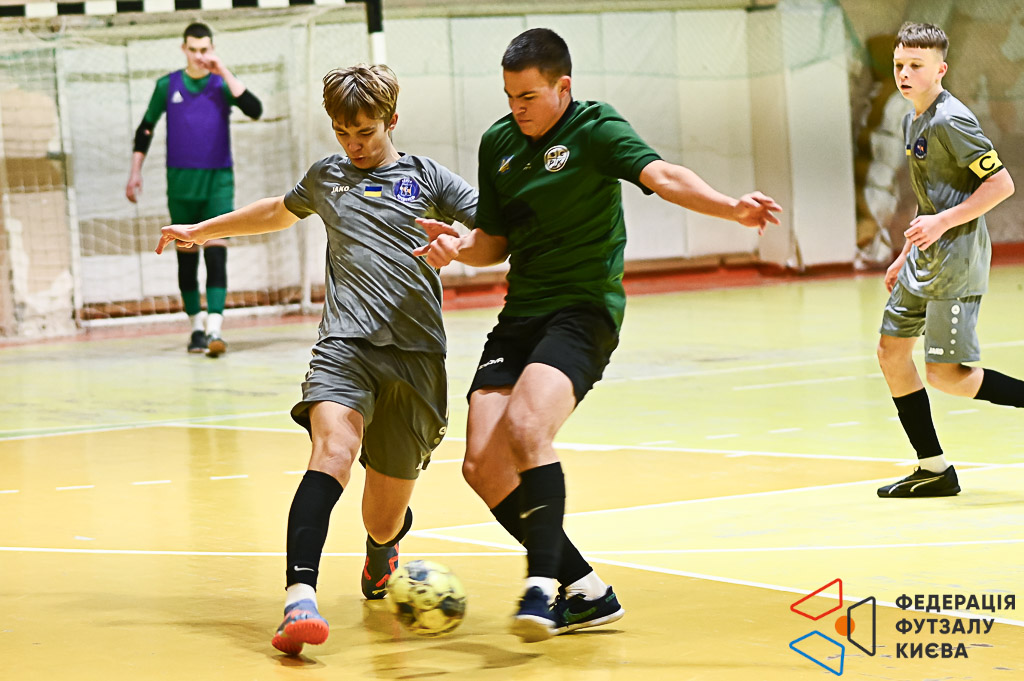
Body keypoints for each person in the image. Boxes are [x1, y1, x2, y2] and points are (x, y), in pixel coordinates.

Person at [414, 28, 781, 642]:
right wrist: (457, 249)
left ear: (563, 86)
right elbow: (493, 243)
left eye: (529, 96)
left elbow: (663, 175)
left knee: (527, 429)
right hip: (521, 315)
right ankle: (586, 591)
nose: (517, 108)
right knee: (481, 465)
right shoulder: (499, 143)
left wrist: (730, 207)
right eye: (509, 97)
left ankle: (540, 585)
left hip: (583, 311)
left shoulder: (595, 129)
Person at [156, 64, 477, 655]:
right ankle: (298, 599)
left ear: (392, 121)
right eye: (343, 133)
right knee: (332, 451)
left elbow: (494, 230)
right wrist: (203, 230)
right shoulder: (328, 177)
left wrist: (462, 246)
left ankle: (382, 549)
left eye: (366, 132)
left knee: (382, 519)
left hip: (417, 359)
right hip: (345, 346)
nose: (354, 144)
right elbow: (276, 211)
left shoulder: (429, 178)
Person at [875, 22, 1023, 498]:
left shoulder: (951, 120)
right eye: (899, 65)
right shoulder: (912, 119)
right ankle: (934, 469)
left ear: (940, 69)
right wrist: (906, 251)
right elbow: (930, 199)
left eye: (916, 65)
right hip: (925, 257)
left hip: (955, 261)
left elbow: (1001, 185)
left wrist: (942, 224)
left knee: (946, 375)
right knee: (891, 353)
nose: (904, 74)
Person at [128, 22, 263, 356]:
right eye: (193, 50)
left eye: (205, 50)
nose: (199, 55)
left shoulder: (222, 83)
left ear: (212, 49)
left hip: (218, 181)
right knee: (186, 258)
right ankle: (196, 329)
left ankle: (215, 329)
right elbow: (145, 128)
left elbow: (255, 109)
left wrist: (223, 70)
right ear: (183, 49)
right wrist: (135, 172)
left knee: (216, 254)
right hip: (180, 182)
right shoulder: (167, 85)